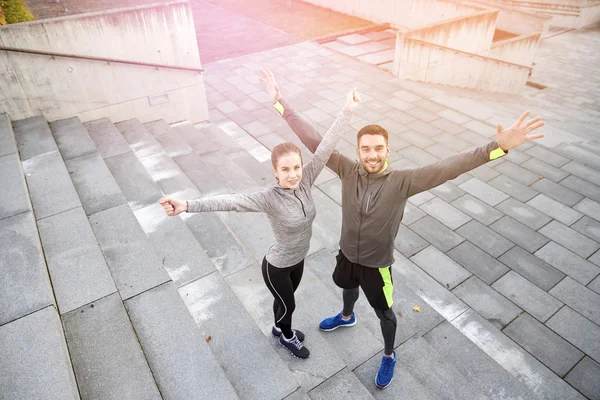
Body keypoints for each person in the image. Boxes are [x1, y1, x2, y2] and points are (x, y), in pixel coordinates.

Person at [260, 67, 545, 388]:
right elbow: (312, 138)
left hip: (377, 264)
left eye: (378, 148)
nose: (371, 154)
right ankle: (346, 315)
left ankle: (389, 354)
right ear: (358, 151)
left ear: (387, 150)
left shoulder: (403, 181)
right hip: (347, 255)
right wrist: (280, 103)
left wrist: (497, 147)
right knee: (346, 284)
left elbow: (450, 167)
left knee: (384, 313)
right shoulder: (347, 168)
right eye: (365, 148)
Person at [160, 88, 361, 359]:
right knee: (288, 305)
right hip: (277, 266)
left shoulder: (306, 181)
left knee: (283, 303)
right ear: (275, 172)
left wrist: (347, 110)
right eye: (286, 169)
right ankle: (287, 337)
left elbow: (325, 147)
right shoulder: (269, 199)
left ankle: (279, 329)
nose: (293, 174)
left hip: (298, 260)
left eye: (296, 167)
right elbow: (232, 201)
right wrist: (187, 205)